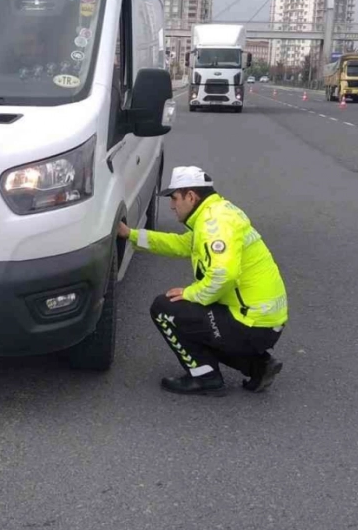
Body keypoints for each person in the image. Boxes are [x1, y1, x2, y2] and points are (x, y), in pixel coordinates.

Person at [117, 166, 288, 395]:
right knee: (199, 317)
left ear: (191, 196)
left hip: (251, 323)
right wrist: (131, 234)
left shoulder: (213, 225)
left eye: (175, 198)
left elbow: (222, 275)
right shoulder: (217, 213)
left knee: (165, 309)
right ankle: (259, 366)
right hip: (263, 319)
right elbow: (179, 244)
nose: (171, 205)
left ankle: (205, 377)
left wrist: (191, 294)